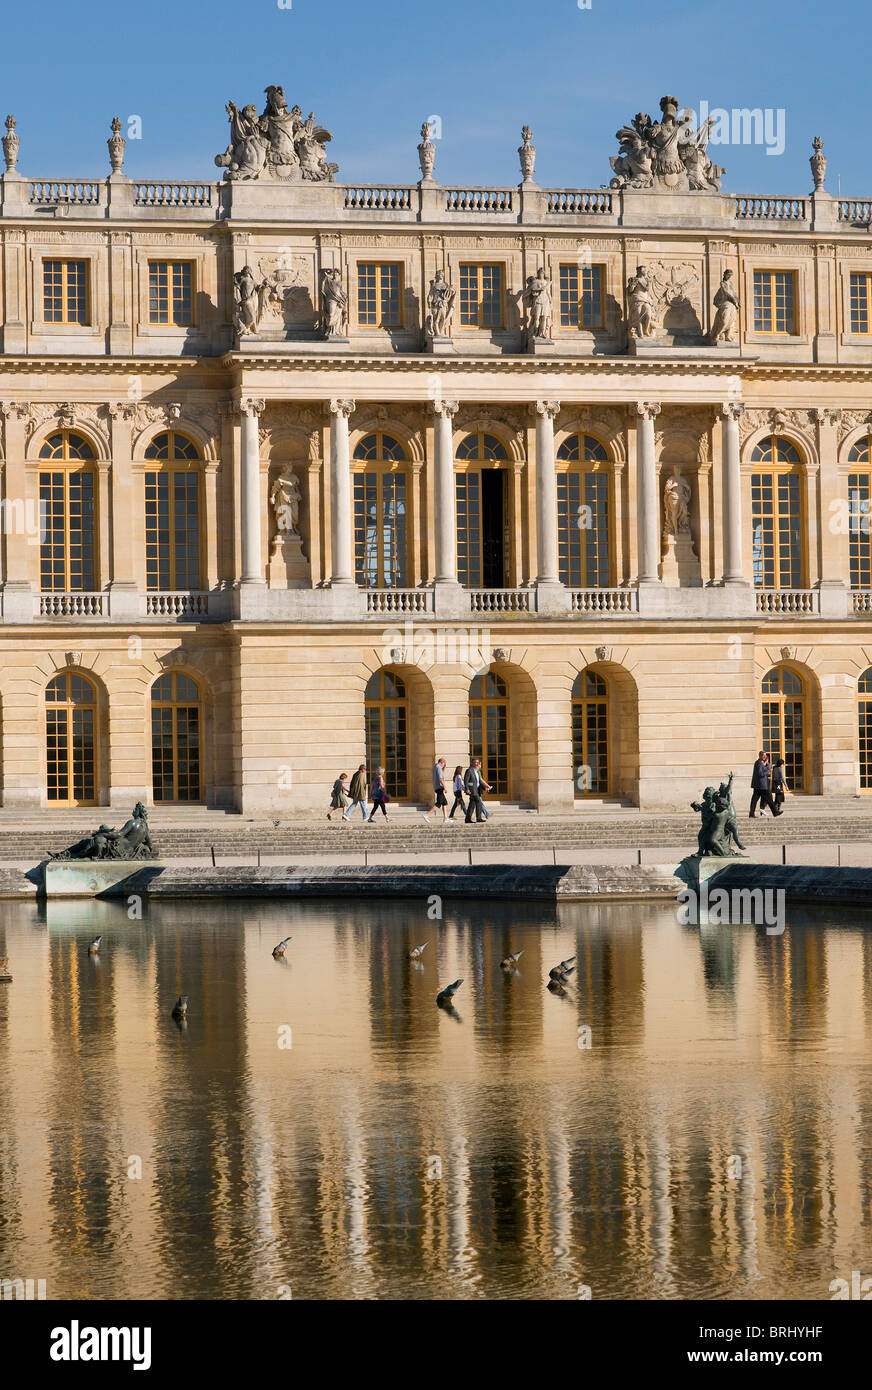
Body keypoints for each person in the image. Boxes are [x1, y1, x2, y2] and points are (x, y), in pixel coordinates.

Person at [423, 758, 450, 825]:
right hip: (440, 787)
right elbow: (440, 778)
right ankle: (427, 815)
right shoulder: (439, 767)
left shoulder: (435, 767)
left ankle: (446, 818)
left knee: (444, 803)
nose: (444, 766)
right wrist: (445, 787)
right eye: (444, 764)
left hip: (437, 787)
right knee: (438, 803)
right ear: (442, 762)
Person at [464, 758, 491, 824]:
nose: (476, 764)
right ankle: (478, 818)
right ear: (472, 763)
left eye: (477, 762)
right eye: (475, 762)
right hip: (472, 790)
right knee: (478, 802)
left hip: (477, 790)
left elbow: (479, 782)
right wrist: (467, 789)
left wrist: (485, 788)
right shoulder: (469, 770)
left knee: (472, 804)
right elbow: (466, 780)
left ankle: (467, 818)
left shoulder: (477, 772)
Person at [749, 751, 775, 818]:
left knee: (755, 800)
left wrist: (766, 763)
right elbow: (761, 773)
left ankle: (752, 813)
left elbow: (770, 767)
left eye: (765, 756)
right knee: (768, 798)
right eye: (763, 755)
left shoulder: (763, 763)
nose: (765, 757)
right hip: (760, 785)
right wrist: (768, 769)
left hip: (761, 785)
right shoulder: (759, 763)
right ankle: (775, 812)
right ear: (760, 756)